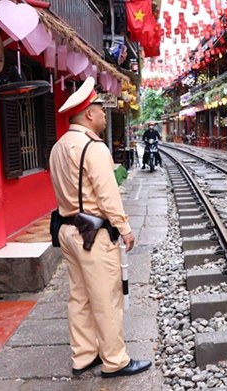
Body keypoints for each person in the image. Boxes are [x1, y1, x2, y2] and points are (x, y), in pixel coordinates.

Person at [49, 77, 151, 378]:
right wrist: (125, 228)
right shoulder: (92, 148)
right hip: (92, 234)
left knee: (79, 296)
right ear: (89, 113)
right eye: (101, 109)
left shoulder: (59, 147)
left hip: (67, 231)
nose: (105, 115)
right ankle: (115, 360)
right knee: (107, 296)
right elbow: (107, 196)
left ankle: (83, 356)